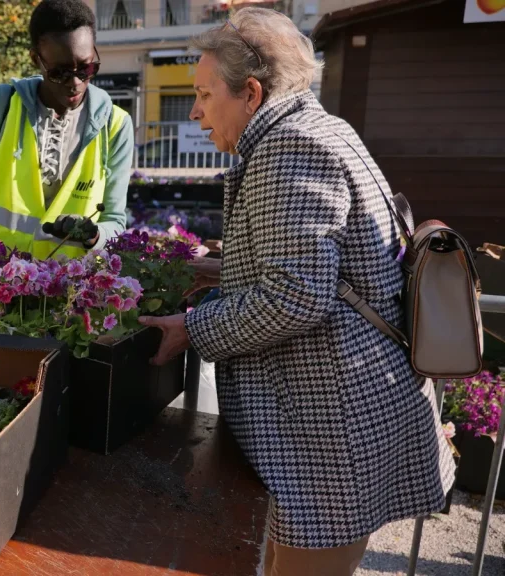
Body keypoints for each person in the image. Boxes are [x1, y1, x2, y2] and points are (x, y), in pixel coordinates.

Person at [138, 8, 455, 576]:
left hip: (331, 428)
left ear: (251, 93)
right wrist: (214, 269)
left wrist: (192, 328)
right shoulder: (321, 127)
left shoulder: (288, 149)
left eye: (205, 93)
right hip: (345, 411)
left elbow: (297, 296)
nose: (195, 110)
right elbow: (313, 268)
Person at [0, 0, 133, 258]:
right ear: (36, 59)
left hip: (76, 289)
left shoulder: (115, 125)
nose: (75, 82)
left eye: (86, 68)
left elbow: (115, 219)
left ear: (94, 53)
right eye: (59, 72)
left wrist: (95, 235)